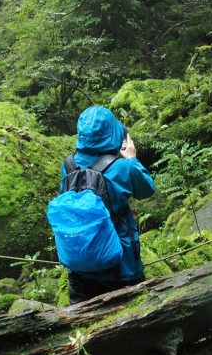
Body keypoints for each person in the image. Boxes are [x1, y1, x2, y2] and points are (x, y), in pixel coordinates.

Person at [63, 105, 155, 304]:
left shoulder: (68, 165)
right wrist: (132, 159)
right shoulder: (121, 167)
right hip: (121, 268)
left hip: (80, 267)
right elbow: (147, 189)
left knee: (83, 328)